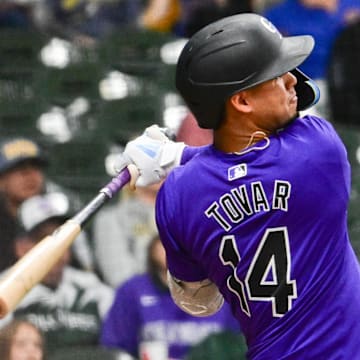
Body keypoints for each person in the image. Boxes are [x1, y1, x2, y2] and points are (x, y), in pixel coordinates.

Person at [119, 13, 360, 359]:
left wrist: (178, 158)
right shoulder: (320, 150)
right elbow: (280, 134)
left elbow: (198, 301)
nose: (292, 79)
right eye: (277, 76)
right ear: (242, 101)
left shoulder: (177, 196)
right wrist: (178, 155)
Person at [1, 192, 115, 357]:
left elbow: (121, 344)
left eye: (62, 238)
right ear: (21, 247)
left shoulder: (93, 289)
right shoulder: (5, 290)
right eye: (43, 239)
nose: (56, 249)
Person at [100, 234, 242, 360]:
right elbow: (114, 348)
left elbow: (243, 346)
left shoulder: (227, 289)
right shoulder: (133, 290)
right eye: (167, 242)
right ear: (152, 249)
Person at [0, 137, 48, 272]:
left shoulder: (58, 217)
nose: (29, 176)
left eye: (35, 167)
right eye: (19, 169)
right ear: (1, 181)